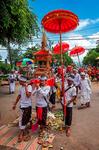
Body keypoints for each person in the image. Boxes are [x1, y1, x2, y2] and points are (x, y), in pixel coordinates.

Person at [12, 76, 32, 142]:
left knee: (26, 118)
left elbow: (28, 95)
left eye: (20, 81)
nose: (19, 82)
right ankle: (21, 133)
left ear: (23, 81)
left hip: (28, 106)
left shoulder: (29, 87)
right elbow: (19, 96)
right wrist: (15, 104)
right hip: (22, 106)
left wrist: (26, 87)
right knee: (21, 119)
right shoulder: (21, 88)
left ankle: (24, 130)